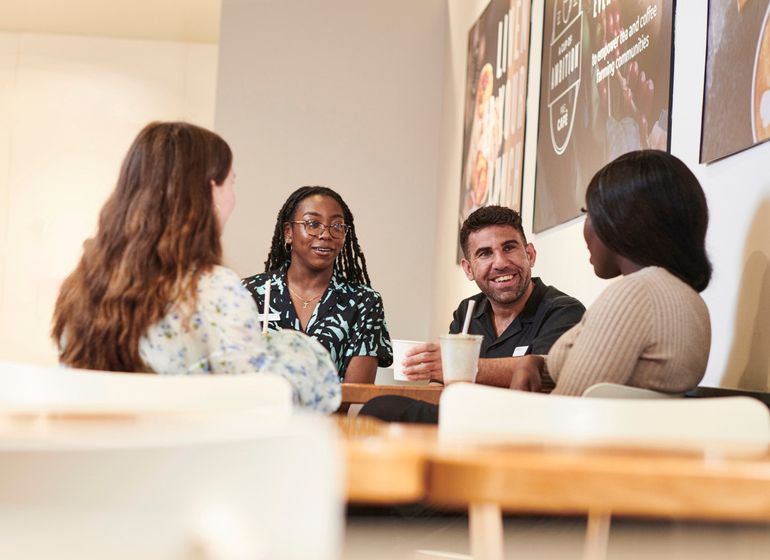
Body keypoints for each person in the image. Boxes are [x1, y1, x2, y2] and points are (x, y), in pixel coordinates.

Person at [52, 122, 340, 413]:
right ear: (211, 191)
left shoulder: (82, 287)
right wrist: (294, 347)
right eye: (232, 182)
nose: (233, 197)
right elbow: (264, 402)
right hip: (185, 455)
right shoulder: (213, 290)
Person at [509, 149, 712, 396]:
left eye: (588, 213)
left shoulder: (636, 294)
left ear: (619, 219)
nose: (585, 228)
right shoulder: (689, 300)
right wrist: (538, 364)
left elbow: (568, 410)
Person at [360, 205, 585, 423]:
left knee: (381, 410)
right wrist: (434, 375)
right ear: (468, 269)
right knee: (381, 408)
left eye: (509, 248)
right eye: (485, 253)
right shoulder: (467, 311)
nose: (501, 263)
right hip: (466, 420)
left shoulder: (564, 311)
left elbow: (547, 370)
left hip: (523, 426)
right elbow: (445, 387)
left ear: (530, 254)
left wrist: (458, 368)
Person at [242, 186, 392, 383]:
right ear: (288, 232)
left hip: (331, 414)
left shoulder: (364, 302)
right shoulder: (249, 293)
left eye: (337, 226)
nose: (326, 234)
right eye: (313, 224)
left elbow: (355, 392)